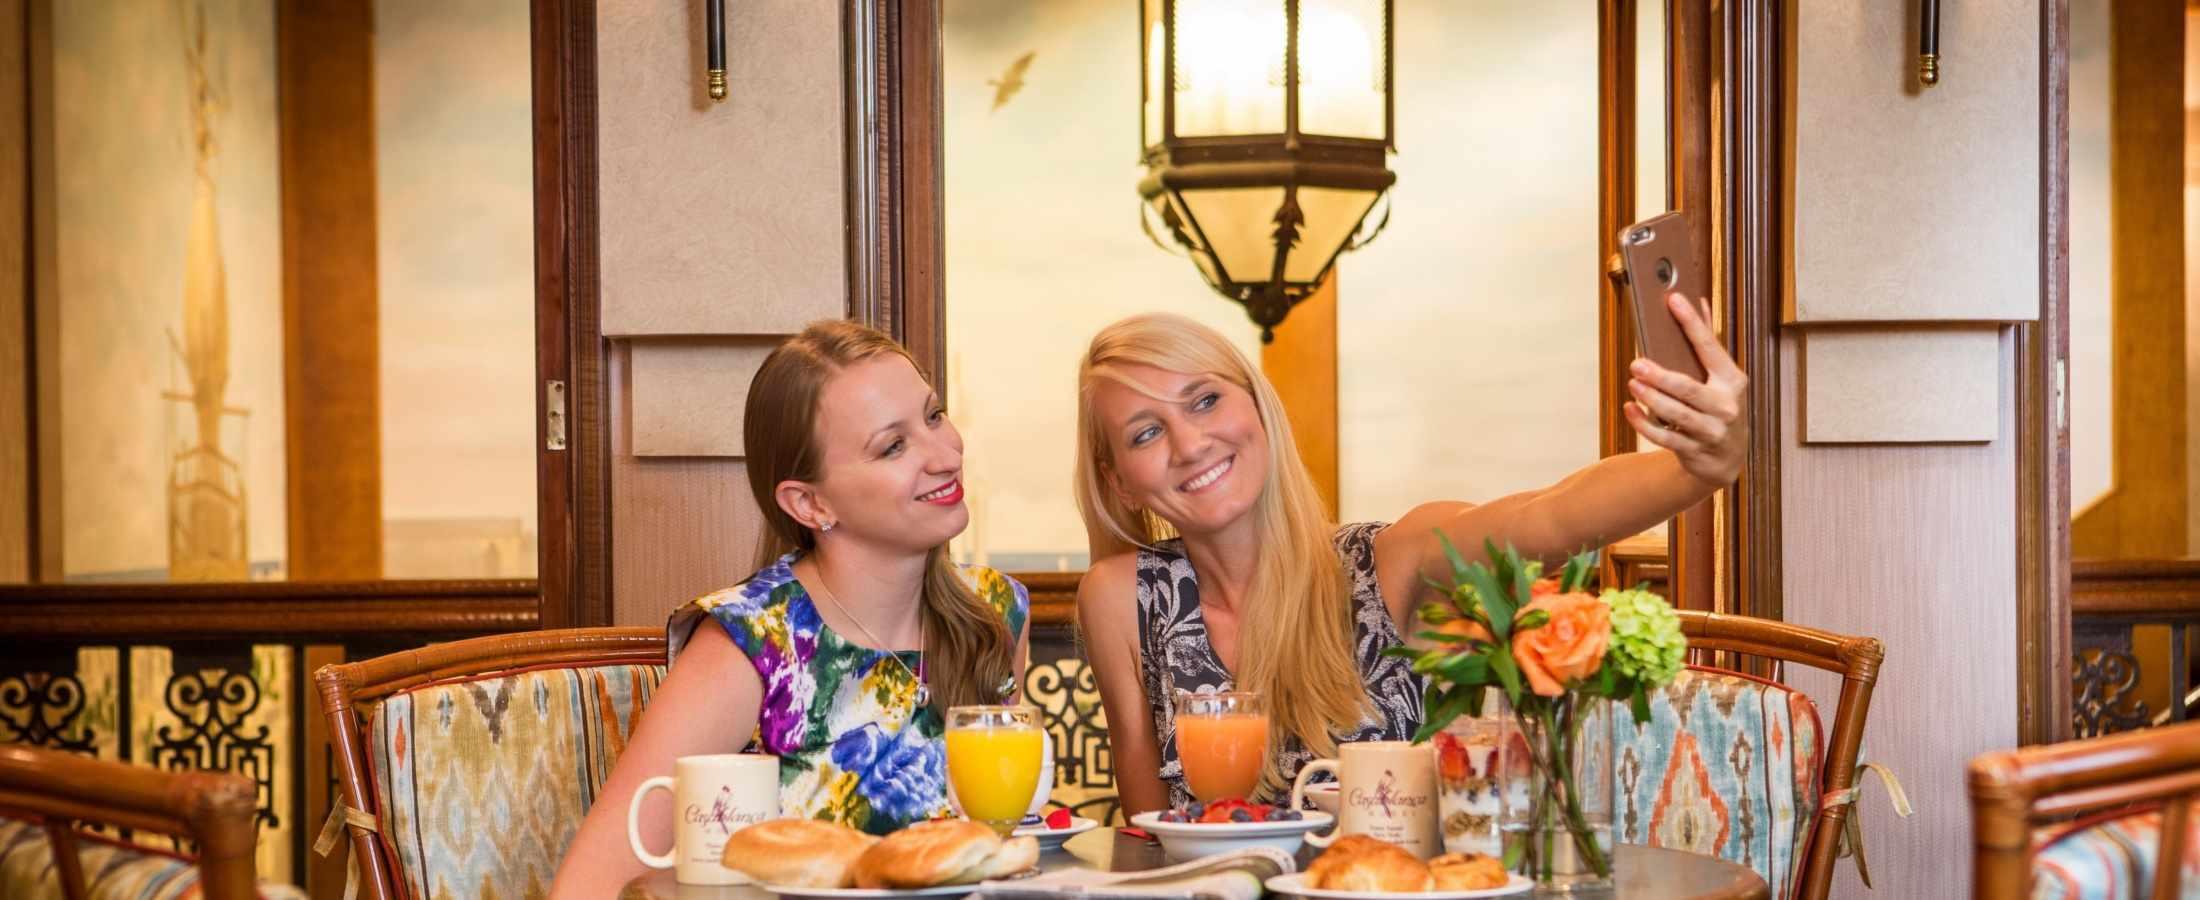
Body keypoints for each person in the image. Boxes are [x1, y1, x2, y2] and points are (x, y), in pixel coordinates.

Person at [1072, 294, 1747, 816]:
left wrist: (1701, 468)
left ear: (1256, 406)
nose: (1189, 444)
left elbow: (1552, 512)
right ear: (1116, 479)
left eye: (1206, 400)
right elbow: (1150, 843)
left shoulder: (1392, 564)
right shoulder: (1120, 600)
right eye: (1147, 432)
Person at [551, 321, 1030, 897]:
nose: (944, 454)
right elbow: (587, 885)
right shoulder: (751, 643)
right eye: (894, 446)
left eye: (933, 416)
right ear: (810, 502)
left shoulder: (994, 614)